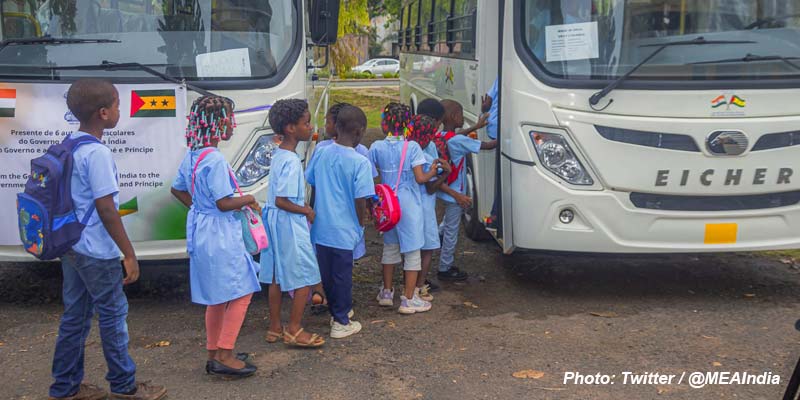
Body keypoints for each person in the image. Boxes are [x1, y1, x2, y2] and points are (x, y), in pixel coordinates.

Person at [50, 79, 166, 400]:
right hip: (96, 251)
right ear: (103, 113)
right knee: (113, 316)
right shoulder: (97, 153)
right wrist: (128, 253)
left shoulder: (69, 143)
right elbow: (106, 208)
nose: (119, 110)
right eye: (116, 105)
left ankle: (65, 388)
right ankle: (124, 386)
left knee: (75, 316)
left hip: (71, 245)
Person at [170, 95, 261, 378]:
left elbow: (177, 189)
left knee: (216, 295)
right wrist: (248, 198)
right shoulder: (216, 159)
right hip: (220, 233)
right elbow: (224, 202)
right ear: (219, 124)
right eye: (230, 120)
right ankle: (225, 354)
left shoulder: (193, 156)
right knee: (242, 290)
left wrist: (200, 208)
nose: (232, 126)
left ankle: (215, 350)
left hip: (202, 230)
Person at [259, 99, 325, 348]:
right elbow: (283, 200)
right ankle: (294, 329)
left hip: (274, 221)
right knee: (305, 274)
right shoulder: (290, 162)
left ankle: (275, 326)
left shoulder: (279, 154)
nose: (310, 127)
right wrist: (306, 210)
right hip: (288, 221)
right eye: (305, 123)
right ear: (290, 128)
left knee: (276, 275)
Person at [306, 105, 375, 338]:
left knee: (327, 274)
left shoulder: (321, 152)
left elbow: (313, 184)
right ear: (359, 132)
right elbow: (360, 198)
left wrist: (315, 211)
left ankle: (335, 312)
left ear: (336, 127)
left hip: (321, 226)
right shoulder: (360, 162)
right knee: (343, 276)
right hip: (345, 228)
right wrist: (361, 222)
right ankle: (341, 321)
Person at [370, 103, 442, 314]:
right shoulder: (412, 147)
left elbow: (371, 174)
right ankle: (408, 299)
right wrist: (434, 170)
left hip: (387, 203)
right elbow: (420, 178)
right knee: (412, 251)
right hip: (408, 203)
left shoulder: (376, 147)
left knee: (390, 248)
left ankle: (386, 292)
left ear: (385, 123)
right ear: (408, 124)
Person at [436, 100, 496, 282]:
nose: (463, 117)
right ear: (455, 117)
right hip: (456, 195)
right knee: (452, 231)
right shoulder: (459, 141)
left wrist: (477, 125)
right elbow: (487, 146)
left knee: (447, 222)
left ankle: (437, 236)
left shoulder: (441, 136)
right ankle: (445, 268)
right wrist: (509, 135)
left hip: (444, 190)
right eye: (461, 114)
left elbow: (458, 136)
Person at [406, 114, 451, 302]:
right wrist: (445, 173)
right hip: (424, 206)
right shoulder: (423, 156)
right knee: (427, 248)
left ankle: (408, 284)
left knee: (410, 248)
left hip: (408, 204)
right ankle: (419, 287)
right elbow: (430, 187)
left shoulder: (406, 149)